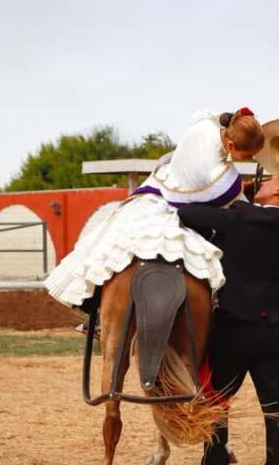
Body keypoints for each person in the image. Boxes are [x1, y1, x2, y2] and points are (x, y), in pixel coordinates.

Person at [177, 160, 279, 465]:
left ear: (278, 190)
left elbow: (188, 213)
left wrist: (235, 195)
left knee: (215, 402)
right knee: (276, 406)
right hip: (273, 331)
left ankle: (214, 464)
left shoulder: (239, 217)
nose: (260, 183)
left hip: (232, 329)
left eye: (268, 180)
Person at [44, 108, 264, 323]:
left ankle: (98, 312)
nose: (249, 159)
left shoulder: (206, 124)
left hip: (152, 195)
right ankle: (216, 307)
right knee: (217, 251)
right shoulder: (222, 175)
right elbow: (234, 203)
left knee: (110, 244)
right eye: (248, 155)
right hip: (181, 209)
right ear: (232, 145)